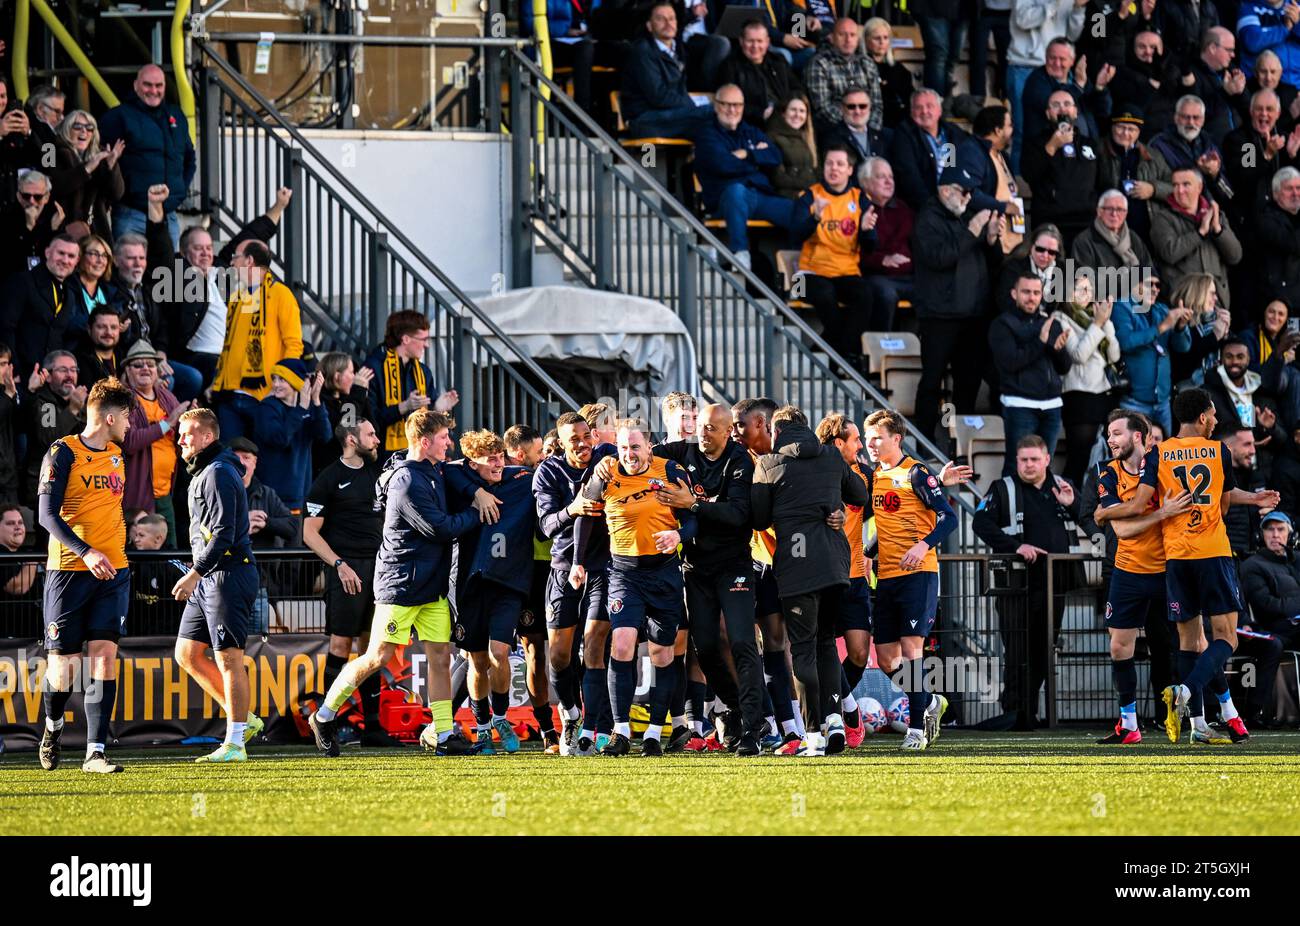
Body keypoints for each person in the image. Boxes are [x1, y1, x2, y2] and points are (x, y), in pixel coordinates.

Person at [309, 409, 481, 757]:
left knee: (439, 656)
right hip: (401, 584)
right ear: (424, 441)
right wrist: (479, 511)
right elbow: (440, 528)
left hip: (430, 584)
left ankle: (444, 734)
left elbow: (458, 473)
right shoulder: (406, 480)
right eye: (444, 437)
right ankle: (324, 715)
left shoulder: (431, 469)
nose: (449, 442)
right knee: (377, 656)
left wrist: (477, 491)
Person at [1116, 388, 1276, 744]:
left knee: (1189, 643)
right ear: (1203, 416)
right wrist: (1253, 500)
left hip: (1176, 556)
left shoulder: (1157, 452)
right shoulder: (1219, 450)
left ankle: (1198, 725)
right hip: (1213, 552)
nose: (1217, 421)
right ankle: (1186, 691)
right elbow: (1221, 502)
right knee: (1227, 638)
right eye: (1214, 415)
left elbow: (1142, 501)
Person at [569, 418, 697, 757]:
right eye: (624, 447)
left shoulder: (670, 470)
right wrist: (578, 561)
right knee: (622, 645)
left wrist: (678, 535)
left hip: (664, 574)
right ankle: (621, 730)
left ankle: (655, 732)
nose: (629, 454)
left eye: (635, 447)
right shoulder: (606, 473)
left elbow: (692, 514)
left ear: (649, 447)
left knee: (662, 653)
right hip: (624, 574)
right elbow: (585, 513)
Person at [750, 405, 869, 756]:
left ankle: (814, 733)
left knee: (802, 650)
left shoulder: (768, 464)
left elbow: (758, 520)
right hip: (835, 565)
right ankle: (834, 722)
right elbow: (859, 496)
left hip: (797, 566)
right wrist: (836, 506)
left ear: (776, 431)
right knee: (826, 645)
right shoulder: (832, 456)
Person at [652, 402, 766, 754]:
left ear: (728, 431)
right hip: (696, 568)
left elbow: (738, 515)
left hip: (733, 565)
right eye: (700, 426)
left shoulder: (739, 460)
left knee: (743, 641)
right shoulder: (681, 452)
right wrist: (610, 458)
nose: (702, 433)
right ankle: (735, 708)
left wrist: (694, 505)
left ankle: (751, 728)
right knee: (704, 645)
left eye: (711, 428)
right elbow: (641, 451)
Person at [35, 377, 134, 774]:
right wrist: (85, 551)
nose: (130, 424)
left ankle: (95, 752)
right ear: (109, 417)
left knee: (104, 658)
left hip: (114, 573)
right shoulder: (62, 452)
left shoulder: (116, 455)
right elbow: (46, 515)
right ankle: (52, 727)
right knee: (64, 669)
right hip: (69, 572)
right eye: (126, 416)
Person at [860, 409, 965, 749]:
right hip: (887, 576)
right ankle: (930, 701)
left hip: (919, 574)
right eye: (867, 437)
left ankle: (917, 729)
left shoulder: (916, 473)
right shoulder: (874, 476)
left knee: (911, 649)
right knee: (886, 656)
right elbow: (887, 526)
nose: (870, 443)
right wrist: (867, 552)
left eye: (877, 437)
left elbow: (949, 519)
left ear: (896, 439)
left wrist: (923, 546)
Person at [172, 407, 265, 762]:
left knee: (229, 659)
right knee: (187, 654)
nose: (181, 439)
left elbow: (225, 532)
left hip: (226, 574)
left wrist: (194, 572)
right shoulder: (208, 470)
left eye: (188, 433)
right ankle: (247, 720)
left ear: (207, 437)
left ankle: (236, 743)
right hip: (209, 575)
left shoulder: (219, 473)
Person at [972, 434, 1082, 729]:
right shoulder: (1002, 488)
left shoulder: (1064, 487)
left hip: (1054, 583)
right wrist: (1015, 546)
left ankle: (1030, 712)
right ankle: (1016, 714)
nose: (1029, 465)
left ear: (1047, 459)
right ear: (1016, 461)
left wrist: (1072, 505)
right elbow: (980, 522)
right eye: (1024, 460)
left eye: (1035, 459)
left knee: (1044, 649)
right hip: (1016, 586)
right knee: (1017, 650)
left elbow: (1090, 521)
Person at [1091, 411, 1188, 743]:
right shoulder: (1106, 473)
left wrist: (1106, 512)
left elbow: (1120, 515)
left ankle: (1203, 717)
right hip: (1128, 571)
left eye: (1116, 433)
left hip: (1167, 570)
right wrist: (1159, 514)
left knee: (1186, 644)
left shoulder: (1162, 467)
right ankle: (1129, 724)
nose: (1110, 439)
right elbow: (1123, 530)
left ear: (1137, 437)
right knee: (1119, 647)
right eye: (1108, 433)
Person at [302, 418, 396, 746]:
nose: (377, 440)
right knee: (341, 646)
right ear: (352, 439)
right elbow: (309, 533)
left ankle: (373, 728)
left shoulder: (380, 473)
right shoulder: (329, 478)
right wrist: (339, 564)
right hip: (347, 569)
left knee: (373, 648)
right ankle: (330, 725)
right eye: (371, 434)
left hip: (380, 568)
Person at [144, 183, 289, 390]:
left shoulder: (221, 273)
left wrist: (279, 205)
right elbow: (160, 246)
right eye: (198, 248)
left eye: (209, 248)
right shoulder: (177, 275)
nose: (205, 253)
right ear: (184, 254)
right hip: (197, 357)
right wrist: (156, 207)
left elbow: (251, 236)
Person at [444, 429, 537, 754]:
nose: (498, 463)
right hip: (471, 583)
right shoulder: (459, 482)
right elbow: (447, 468)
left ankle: (499, 717)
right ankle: (481, 728)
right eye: (490, 459)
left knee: (499, 653)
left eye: (501, 456)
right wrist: (476, 492)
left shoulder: (522, 478)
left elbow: (547, 471)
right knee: (477, 660)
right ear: (472, 463)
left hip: (509, 583)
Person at [532, 412, 617, 755]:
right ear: (562, 444)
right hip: (564, 566)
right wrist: (574, 508)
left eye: (586, 436)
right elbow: (547, 525)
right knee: (560, 654)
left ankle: (596, 728)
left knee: (595, 643)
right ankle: (570, 713)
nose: (583, 444)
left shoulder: (606, 455)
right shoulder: (549, 471)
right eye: (574, 440)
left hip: (606, 566)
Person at [912, 167, 1004, 444]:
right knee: (932, 380)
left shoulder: (965, 215)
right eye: (964, 191)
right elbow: (939, 258)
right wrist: (973, 231)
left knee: (969, 382)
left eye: (972, 192)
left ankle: (961, 445)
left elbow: (993, 262)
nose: (968, 197)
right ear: (945, 190)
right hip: (939, 316)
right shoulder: (928, 219)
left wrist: (989, 240)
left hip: (973, 315)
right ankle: (924, 442)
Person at [791, 144, 880, 367]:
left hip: (846, 271)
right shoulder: (810, 195)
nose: (834, 168)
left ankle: (833, 352)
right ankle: (845, 356)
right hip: (808, 273)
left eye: (840, 164)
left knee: (866, 295)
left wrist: (868, 232)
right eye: (830, 163)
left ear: (850, 170)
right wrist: (816, 217)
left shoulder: (860, 199)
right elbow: (795, 235)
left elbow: (871, 247)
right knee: (825, 292)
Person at [210, 238, 304, 441]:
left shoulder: (281, 295)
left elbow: (293, 345)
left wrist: (282, 384)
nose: (232, 263)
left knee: (258, 462)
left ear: (249, 261)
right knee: (231, 459)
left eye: (236, 257)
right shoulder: (237, 297)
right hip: (230, 395)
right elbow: (229, 344)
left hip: (263, 395)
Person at [693, 84, 793, 271]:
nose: (732, 110)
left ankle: (802, 272)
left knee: (800, 212)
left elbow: (775, 156)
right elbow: (723, 165)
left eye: (737, 105)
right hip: (725, 199)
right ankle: (740, 254)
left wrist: (747, 154)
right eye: (726, 104)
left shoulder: (749, 130)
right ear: (716, 105)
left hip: (758, 196)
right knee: (736, 190)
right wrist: (755, 158)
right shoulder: (706, 134)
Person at [503, 423, 559, 751]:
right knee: (534, 651)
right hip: (529, 573)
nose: (545, 460)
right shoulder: (513, 482)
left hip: (564, 569)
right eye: (542, 453)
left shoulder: (564, 478)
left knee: (570, 652)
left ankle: (582, 721)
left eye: (549, 453)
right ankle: (546, 728)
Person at [98, 64, 197, 247]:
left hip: (168, 216)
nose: (153, 90)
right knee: (129, 272)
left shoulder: (176, 115)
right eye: (147, 85)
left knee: (167, 273)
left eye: (158, 85)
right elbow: (103, 162)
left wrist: (179, 190)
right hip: (132, 214)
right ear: (136, 85)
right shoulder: (117, 117)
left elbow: (190, 159)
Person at [990, 270, 1074, 473]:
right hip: (1020, 405)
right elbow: (1010, 363)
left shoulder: (1051, 323)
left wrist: (1058, 349)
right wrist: (1040, 342)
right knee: (1016, 466)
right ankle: (1012, 506)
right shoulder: (1002, 324)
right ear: (1014, 294)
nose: (1031, 297)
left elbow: (1064, 367)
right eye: (1026, 292)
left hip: (1052, 405)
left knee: (1044, 468)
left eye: (1036, 293)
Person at [1052, 271, 1122, 488]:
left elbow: (1115, 356)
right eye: (1081, 289)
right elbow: (1078, 355)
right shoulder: (1060, 319)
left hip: (1103, 394)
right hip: (1079, 396)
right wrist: (1097, 324)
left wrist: (1105, 323)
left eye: (1089, 289)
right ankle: (1067, 505)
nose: (1087, 294)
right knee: (1079, 457)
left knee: (1101, 455)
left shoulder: (1093, 317)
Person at [364, 310, 458, 464]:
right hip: (383, 458)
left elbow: (429, 422)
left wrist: (438, 408)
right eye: (423, 339)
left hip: (419, 455)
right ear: (406, 339)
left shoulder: (423, 371)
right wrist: (402, 407)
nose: (427, 345)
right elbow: (368, 421)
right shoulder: (373, 368)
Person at [1006, 0, 1087, 173]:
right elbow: (1022, 19)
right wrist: (1053, 3)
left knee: (1059, 128)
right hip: (1025, 65)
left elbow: (1072, 36)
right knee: (1022, 133)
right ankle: (1019, 185)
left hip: (1058, 69)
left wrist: (1078, 8)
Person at [121, 339, 187, 543]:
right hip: (139, 495)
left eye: (150, 364)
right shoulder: (125, 400)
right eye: (138, 364)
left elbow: (179, 433)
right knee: (143, 557)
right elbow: (130, 441)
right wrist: (168, 423)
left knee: (170, 557)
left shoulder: (167, 397)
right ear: (127, 371)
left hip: (165, 492)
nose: (145, 368)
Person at [1149, 166, 1243, 308]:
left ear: (1199, 187)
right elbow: (1169, 253)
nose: (1179, 191)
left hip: (1216, 304)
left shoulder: (1217, 216)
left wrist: (1218, 230)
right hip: (1183, 302)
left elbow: (1235, 256)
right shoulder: (1162, 218)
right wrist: (1200, 233)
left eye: (1186, 184)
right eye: (1175, 185)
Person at [619, 1, 713, 140]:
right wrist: (692, 105)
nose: (668, 23)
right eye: (660, 19)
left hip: (670, 115)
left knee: (715, 120)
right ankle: (648, 162)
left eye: (671, 18)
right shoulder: (643, 51)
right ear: (649, 26)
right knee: (711, 113)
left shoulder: (678, 49)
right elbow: (658, 96)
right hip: (644, 120)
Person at [1111, 275, 1193, 434]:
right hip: (1133, 402)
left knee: (1162, 457)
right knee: (1133, 456)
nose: (1155, 289)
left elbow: (1182, 347)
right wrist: (1161, 327)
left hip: (1162, 402)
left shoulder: (1162, 310)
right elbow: (1126, 342)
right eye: (1150, 284)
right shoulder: (1122, 306)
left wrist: (1181, 327)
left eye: (1158, 285)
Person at [249, 360, 331, 518]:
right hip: (272, 494)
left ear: (295, 381)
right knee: (275, 542)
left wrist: (316, 401)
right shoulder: (267, 408)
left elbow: (325, 436)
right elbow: (279, 439)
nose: (275, 384)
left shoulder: (308, 406)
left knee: (295, 541)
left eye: (282, 380)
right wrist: (301, 409)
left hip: (299, 494)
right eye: (274, 379)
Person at [1020, 89, 1102, 245]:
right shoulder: (1035, 143)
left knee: (1081, 269)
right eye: (1056, 105)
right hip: (1051, 222)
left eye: (1067, 104)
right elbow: (1029, 174)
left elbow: (1101, 181)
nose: (1062, 109)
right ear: (1048, 113)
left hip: (1086, 221)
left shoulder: (1090, 144)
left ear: (1075, 112)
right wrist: (1052, 146)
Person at [1, 233, 83, 384]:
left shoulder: (70, 294)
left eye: (71, 256)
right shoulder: (22, 281)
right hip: (19, 377)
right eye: (61, 253)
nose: (65, 260)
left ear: (77, 261)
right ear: (47, 253)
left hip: (49, 381)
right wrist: (13, 370)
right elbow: (5, 328)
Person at [888, 89, 973, 212]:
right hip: (926, 207)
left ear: (939, 110)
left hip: (956, 202)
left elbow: (955, 167)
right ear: (911, 112)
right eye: (918, 107)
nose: (924, 111)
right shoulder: (904, 135)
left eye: (930, 106)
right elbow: (910, 180)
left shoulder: (950, 133)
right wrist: (934, 207)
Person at [20, 351, 86, 507]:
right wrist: (73, 410)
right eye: (63, 370)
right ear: (48, 376)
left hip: (76, 488)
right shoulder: (45, 402)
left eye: (73, 370)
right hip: (45, 489)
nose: (70, 375)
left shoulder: (82, 401)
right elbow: (50, 441)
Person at [1097, 104, 1172, 239]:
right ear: (1112, 127)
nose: (1126, 133)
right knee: (1071, 260)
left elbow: (1175, 188)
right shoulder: (1097, 151)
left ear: (1139, 132)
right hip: (1107, 231)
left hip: (1146, 233)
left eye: (1131, 129)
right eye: (1120, 127)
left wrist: (1153, 189)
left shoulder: (1153, 156)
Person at [51, 110, 124, 242]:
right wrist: (88, 168)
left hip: (95, 231)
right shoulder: (50, 149)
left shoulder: (101, 155)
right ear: (67, 129)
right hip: (61, 229)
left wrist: (110, 167)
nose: (84, 131)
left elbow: (116, 194)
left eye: (89, 128)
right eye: (77, 126)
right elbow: (53, 186)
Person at [858, 156, 915, 325]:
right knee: (886, 294)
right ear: (865, 183)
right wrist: (883, 259)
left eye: (891, 177)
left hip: (907, 276)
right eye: (881, 177)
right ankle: (881, 347)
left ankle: (921, 348)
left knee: (933, 293)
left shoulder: (903, 209)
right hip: (875, 276)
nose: (889, 182)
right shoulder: (857, 209)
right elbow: (854, 252)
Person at [804, 18, 884, 137]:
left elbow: (877, 105)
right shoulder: (819, 64)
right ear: (832, 37)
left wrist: (869, 133)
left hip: (867, 131)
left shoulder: (867, 63)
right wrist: (854, 129)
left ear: (858, 39)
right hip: (834, 132)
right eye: (842, 35)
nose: (848, 40)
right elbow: (823, 109)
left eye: (852, 35)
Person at [1148, 96, 1235, 204]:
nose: (1191, 122)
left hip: (1212, 214)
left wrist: (1214, 175)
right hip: (1173, 215)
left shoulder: (1210, 146)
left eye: (1196, 117)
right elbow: (1150, 187)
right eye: (1185, 117)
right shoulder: (1158, 145)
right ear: (1176, 118)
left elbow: (1229, 196)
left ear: (1203, 120)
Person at [718, 19, 802, 129]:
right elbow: (730, 103)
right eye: (750, 41)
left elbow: (797, 88)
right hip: (754, 125)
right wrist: (761, 113)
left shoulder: (778, 61)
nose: (755, 46)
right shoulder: (730, 66)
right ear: (741, 41)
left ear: (767, 42)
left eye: (759, 41)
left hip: (786, 118)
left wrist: (791, 106)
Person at [964, 105, 1024, 254]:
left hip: (1014, 241)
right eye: (1009, 125)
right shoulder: (973, 152)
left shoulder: (1003, 155)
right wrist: (1003, 207)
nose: (1013, 130)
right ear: (998, 130)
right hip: (992, 243)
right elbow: (969, 193)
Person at [1070, 190, 1157, 288]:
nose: (1114, 214)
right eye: (1109, 208)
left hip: (1136, 298)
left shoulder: (1134, 238)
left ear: (1126, 213)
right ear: (1099, 211)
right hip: (1104, 300)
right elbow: (1087, 281)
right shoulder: (1084, 241)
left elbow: (1149, 270)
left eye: (1119, 209)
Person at [1241, 510, 1300, 649]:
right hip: (1278, 629)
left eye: (1280, 529)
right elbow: (1267, 605)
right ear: (1260, 536)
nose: (1275, 535)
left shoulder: (1297, 558)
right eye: (1269, 529)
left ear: (1291, 535)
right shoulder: (1252, 565)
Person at [1182, 27, 1249, 146]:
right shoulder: (1191, 74)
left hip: (1243, 146)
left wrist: (1240, 92)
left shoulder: (1231, 70)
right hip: (1212, 148)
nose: (1233, 55)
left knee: (1251, 163)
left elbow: (1249, 110)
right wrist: (1225, 92)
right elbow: (1196, 115)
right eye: (1229, 50)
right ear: (1212, 48)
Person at [227, 437, 296, 550]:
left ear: (255, 463)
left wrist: (265, 523)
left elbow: (292, 527)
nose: (241, 463)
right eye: (235, 458)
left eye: (246, 457)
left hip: (263, 565)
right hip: (228, 563)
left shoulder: (267, 494)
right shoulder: (215, 492)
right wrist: (242, 522)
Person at [0, 169, 64, 278]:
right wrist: (28, 228)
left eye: (37, 197)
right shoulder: (6, 218)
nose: (32, 201)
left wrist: (54, 230)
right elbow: (9, 260)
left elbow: (59, 260)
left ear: (46, 197)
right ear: (19, 197)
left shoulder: (54, 218)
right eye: (26, 196)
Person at [1257, 166, 1300, 306]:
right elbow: (1293, 244)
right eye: (1289, 189)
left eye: (1299, 188)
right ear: (1275, 194)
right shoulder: (1266, 219)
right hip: (1279, 301)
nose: (1295, 193)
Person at [861, 18, 914, 130]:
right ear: (866, 40)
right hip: (874, 124)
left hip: (901, 124)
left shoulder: (898, 68)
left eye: (885, 38)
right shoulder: (859, 66)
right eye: (877, 38)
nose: (882, 42)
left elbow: (910, 97)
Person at [766, 94, 819, 199]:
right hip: (786, 198)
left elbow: (818, 172)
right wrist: (809, 184)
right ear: (783, 113)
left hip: (811, 196)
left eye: (802, 111)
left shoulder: (809, 140)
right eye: (793, 110)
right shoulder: (772, 138)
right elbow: (777, 178)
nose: (797, 115)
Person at [821, 87, 887, 165]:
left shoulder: (884, 136)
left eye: (862, 106)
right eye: (851, 107)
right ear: (842, 109)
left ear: (870, 108)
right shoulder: (831, 138)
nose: (857, 111)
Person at [74, 304, 125, 386]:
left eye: (113, 327)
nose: (108, 332)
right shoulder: (78, 362)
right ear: (89, 329)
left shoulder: (126, 359)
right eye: (101, 327)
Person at [0, 344, 18, 504]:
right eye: (1, 364)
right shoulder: (7, 393)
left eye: (6, 363)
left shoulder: (9, 391)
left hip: (9, 478)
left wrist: (32, 394)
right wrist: (8, 395)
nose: (5, 369)